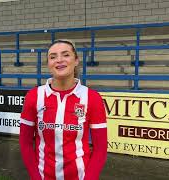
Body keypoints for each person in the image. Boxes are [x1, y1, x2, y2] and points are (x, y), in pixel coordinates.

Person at [19, 39, 107, 180]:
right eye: (53, 57)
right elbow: (25, 143)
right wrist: (36, 177)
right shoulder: (34, 96)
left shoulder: (92, 97)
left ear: (76, 60)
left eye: (65, 55)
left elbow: (100, 148)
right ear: (48, 64)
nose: (59, 60)